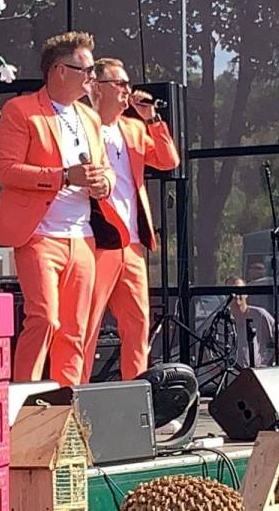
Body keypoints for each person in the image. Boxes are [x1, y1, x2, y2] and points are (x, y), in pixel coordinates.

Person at [0, 31, 117, 387]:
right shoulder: (21, 110)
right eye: (86, 70)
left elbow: (105, 169)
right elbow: (7, 171)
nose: (92, 78)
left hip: (82, 237)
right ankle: (24, 404)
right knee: (44, 319)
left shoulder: (90, 117)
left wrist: (103, 183)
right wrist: (63, 177)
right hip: (40, 235)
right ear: (60, 71)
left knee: (75, 331)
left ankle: (67, 407)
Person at [81, 58, 181, 382]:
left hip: (133, 242)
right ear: (98, 88)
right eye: (120, 84)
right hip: (99, 240)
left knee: (138, 324)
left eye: (128, 83)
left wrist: (151, 119)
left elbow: (168, 160)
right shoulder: (82, 125)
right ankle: (74, 396)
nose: (127, 90)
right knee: (88, 324)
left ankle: (136, 396)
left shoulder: (134, 128)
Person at [224, 276, 279, 368]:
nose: (236, 295)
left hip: (254, 372)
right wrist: (216, 371)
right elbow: (206, 348)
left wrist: (271, 365)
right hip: (229, 375)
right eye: (231, 292)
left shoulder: (259, 314)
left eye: (239, 291)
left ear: (246, 293)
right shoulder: (220, 320)